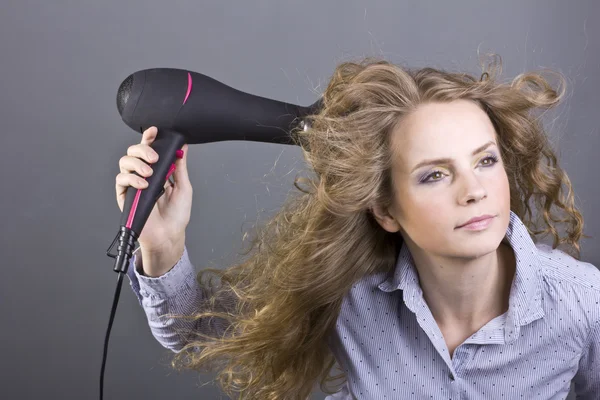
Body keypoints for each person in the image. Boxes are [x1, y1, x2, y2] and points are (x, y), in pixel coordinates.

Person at [115, 55, 600, 400]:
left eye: (485, 161)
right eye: (434, 174)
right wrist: (164, 244)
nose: (473, 190)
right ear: (385, 208)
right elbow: (192, 331)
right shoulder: (351, 295)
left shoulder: (582, 304)